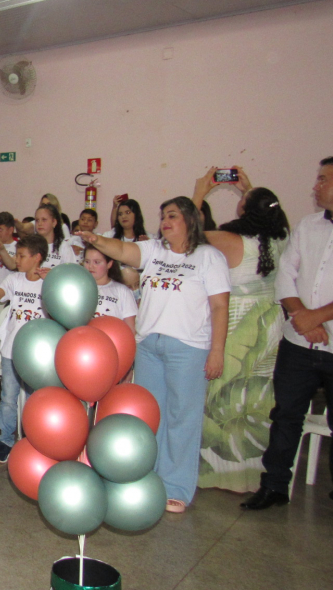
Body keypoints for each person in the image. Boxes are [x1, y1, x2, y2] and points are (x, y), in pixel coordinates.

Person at [78, 196, 230, 514]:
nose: (165, 221)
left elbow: (219, 306)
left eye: (172, 215)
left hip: (187, 348)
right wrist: (96, 240)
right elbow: (122, 251)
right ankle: (149, 478)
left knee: (182, 420)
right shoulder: (154, 250)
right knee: (151, 419)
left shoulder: (209, 257)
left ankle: (176, 488)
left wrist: (217, 350)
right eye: (162, 215)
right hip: (150, 346)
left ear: (190, 220)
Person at [189, 169, 290, 493]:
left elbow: (187, 236)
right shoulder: (280, 239)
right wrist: (247, 189)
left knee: (221, 393)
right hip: (270, 326)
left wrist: (199, 193)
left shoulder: (229, 240)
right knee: (258, 395)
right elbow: (271, 211)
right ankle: (253, 471)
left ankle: (216, 473)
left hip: (236, 325)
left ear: (243, 209)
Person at [242, 157, 333, 510]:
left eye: (323, 179)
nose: (316, 186)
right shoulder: (308, 226)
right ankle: (275, 485)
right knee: (286, 415)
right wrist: (300, 316)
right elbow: (285, 276)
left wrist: (315, 317)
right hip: (298, 342)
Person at [0, 234, 49, 463]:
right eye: (17, 254)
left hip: (37, 353)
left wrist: (55, 278)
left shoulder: (50, 281)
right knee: (8, 398)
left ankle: (34, 439)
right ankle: (6, 439)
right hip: (11, 350)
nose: (17, 259)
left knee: (36, 398)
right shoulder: (14, 279)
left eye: (22, 255)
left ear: (37, 258)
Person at [83, 245, 137, 331]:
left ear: (109, 264)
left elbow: (130, 328)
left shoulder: (122, 291)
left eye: (97, 262)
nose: (91, 266)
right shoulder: (77, 289)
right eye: (87, 261)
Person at [34, 203, 79, 269]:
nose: (40, 224)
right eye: (37, 220)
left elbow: (71, 271)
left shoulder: (64, 247)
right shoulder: (31, 245)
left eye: (44, 220)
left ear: (54, 222)